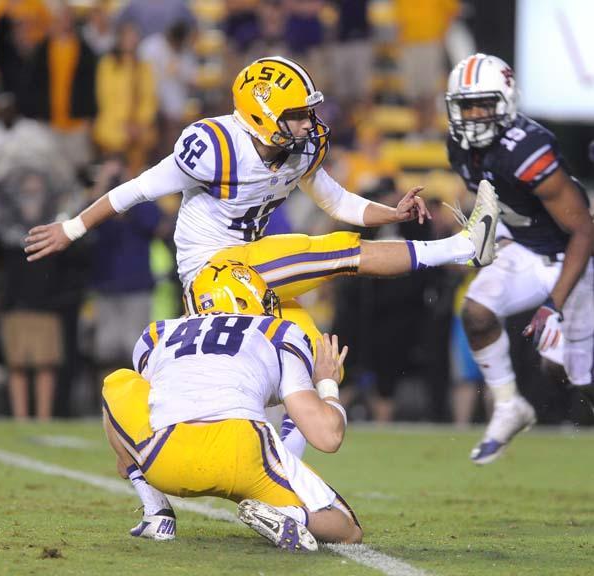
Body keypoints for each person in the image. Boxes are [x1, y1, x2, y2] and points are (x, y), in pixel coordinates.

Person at [25, 55, 500, 352]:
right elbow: (133, 190)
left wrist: (390, 214)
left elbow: (338, 202)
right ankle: (460, 248)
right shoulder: (214, 146)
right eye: (297, 116)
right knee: (333, 252)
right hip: (210, 269)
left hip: (253, 264)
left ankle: (277, 486)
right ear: (262, 114)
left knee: (311, 361)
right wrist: (70, 230)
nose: (308, 124)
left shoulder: (302, 149)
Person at [102, 259, 361, 549]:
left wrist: (129, 459)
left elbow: (140, 409)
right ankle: (289, 514)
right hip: (241, 453)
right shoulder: (279, 332)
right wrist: (327, 382)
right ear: (240, 297)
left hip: (165, 458)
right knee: (347, 527)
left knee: (117, 382)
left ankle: (156, 511)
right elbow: (327, 437)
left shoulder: (157, 334)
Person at [445, 54, 594, 465]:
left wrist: (553, 305)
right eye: (466, 106)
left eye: (483, 105)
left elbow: (584, 231)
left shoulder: (528, 149)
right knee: (476, 313)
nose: (473, 116)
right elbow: (500, 200)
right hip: (529, 248)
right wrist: (500, 236)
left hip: (573, 258)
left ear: (506, 102)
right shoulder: (459, 147)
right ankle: (509, 404)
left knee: (567, 374)